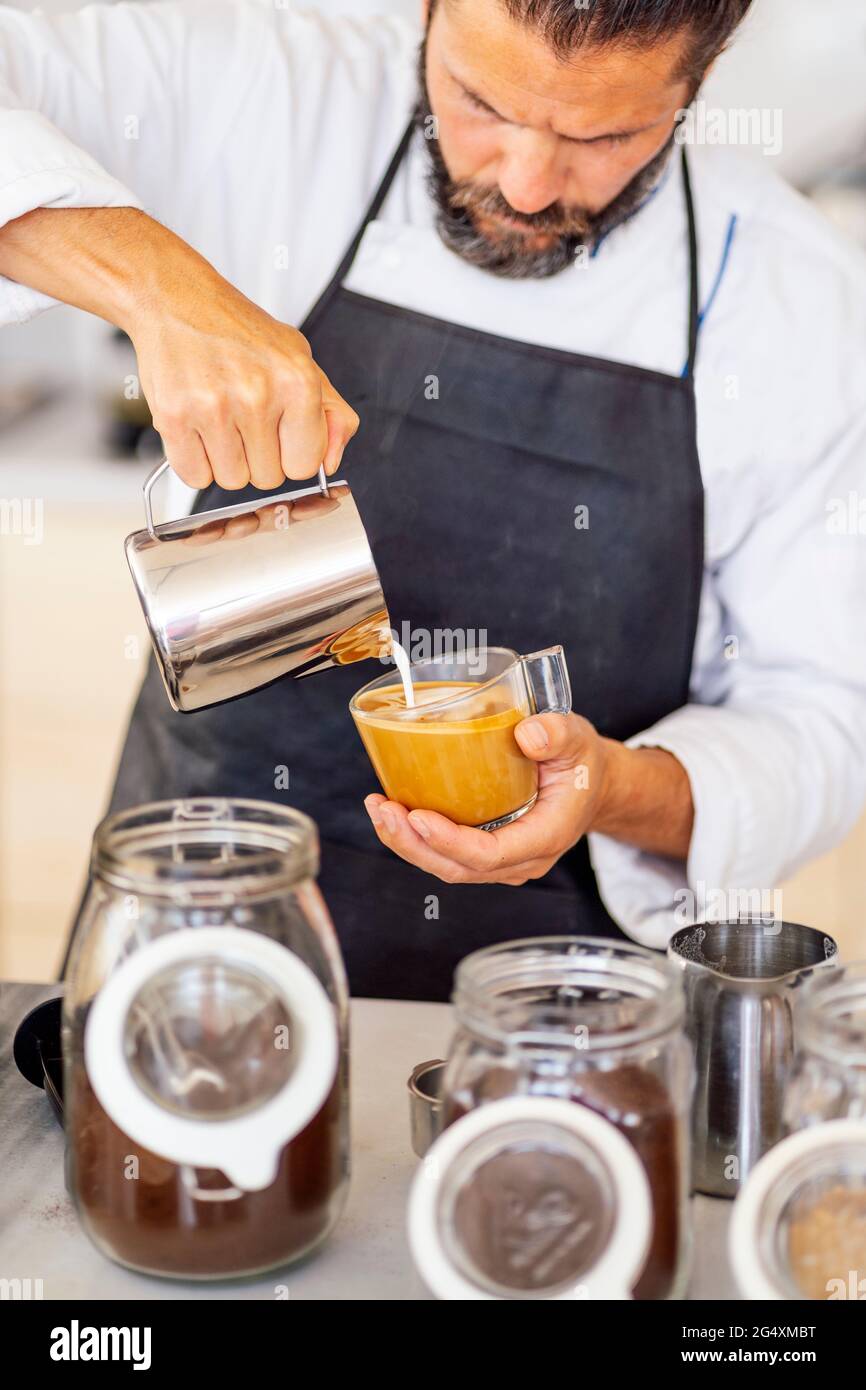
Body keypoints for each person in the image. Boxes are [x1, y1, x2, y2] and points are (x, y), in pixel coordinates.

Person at [1, 0, 864, 1000]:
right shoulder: (270, 91)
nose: (525, 183)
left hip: (558, 1018)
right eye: (478, 101)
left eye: (605, 135)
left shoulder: (798, 300)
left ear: (698, 81)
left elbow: (823, 720)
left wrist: (610, 788)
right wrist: (158, 289)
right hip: (194, 950)